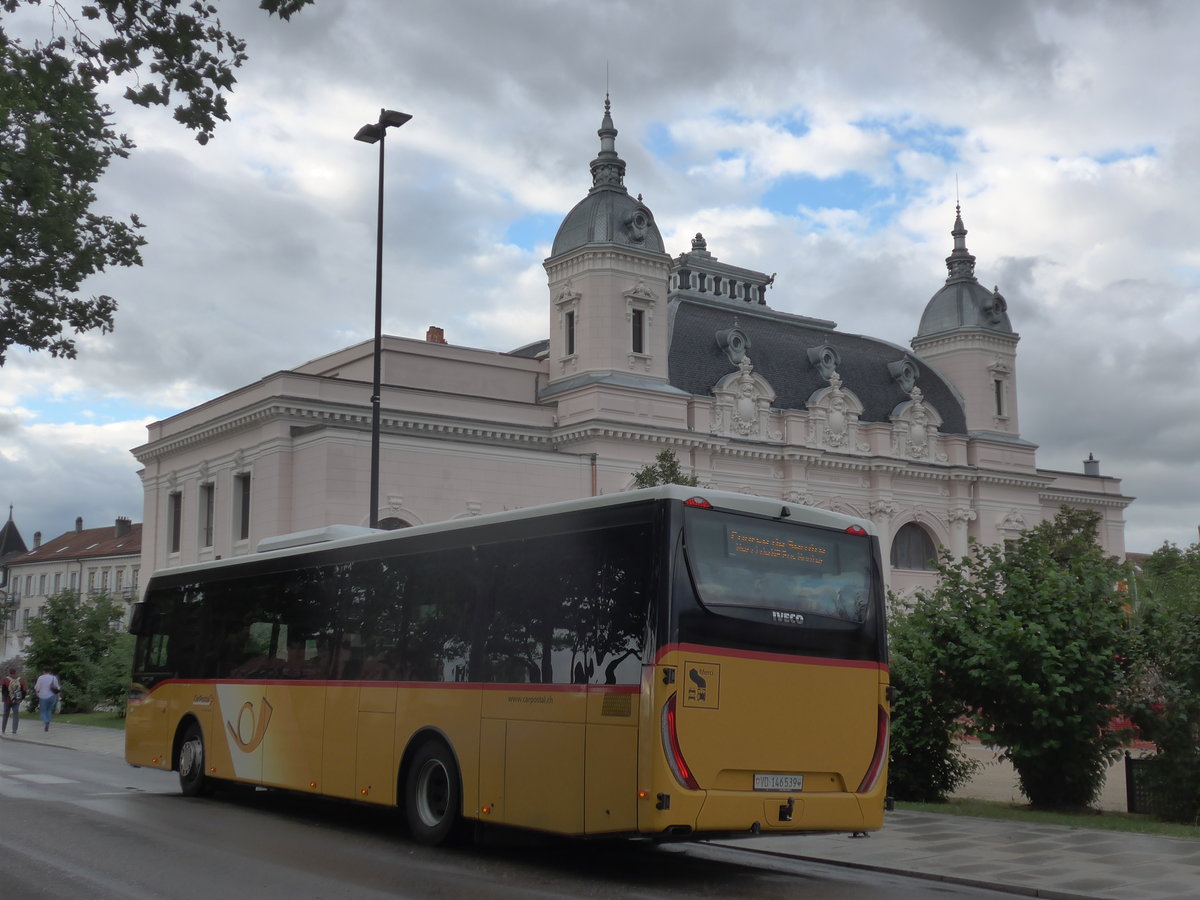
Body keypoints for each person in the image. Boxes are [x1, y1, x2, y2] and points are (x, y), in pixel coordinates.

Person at [33, 667, 61, 732]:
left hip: (43, 696)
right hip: (52, 696)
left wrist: (37, 693)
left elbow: (37, 687)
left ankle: (46, 721)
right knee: (49, 710)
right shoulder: (54, 677)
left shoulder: (40, 678)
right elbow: (57, 688)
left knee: (43, 711)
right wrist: (58, 697)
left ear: (43, 671)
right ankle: (48, 721)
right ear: (50, 671)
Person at [2, 667, 26, 734]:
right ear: (15, 672)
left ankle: (3, 730)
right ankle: (14, 730)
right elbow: (24, 691)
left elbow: (3, 690)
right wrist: (21, 699)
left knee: (5, 715)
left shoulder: (5, 680)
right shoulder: (21, 680)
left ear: (9, 673)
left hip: (7, 700)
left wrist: (5, 698)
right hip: (16, 700)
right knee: (16, 715)